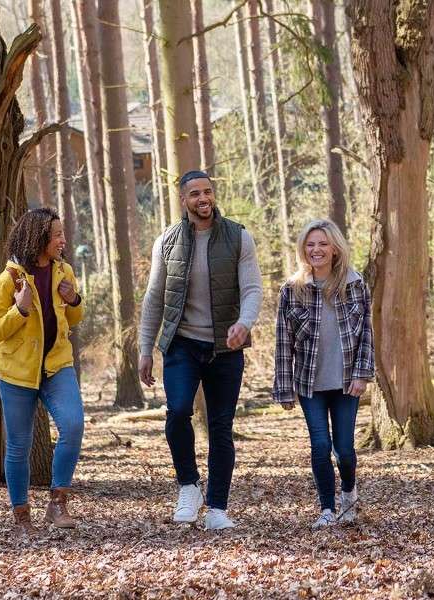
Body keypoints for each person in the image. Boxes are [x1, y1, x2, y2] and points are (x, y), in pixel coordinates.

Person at [137, 170, 264, 530]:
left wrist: (244, 323)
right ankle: (189, 485)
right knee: (177, 412)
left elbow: (252, 288)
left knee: (221, 426)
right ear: (184, 200)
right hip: (182, 344)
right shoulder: (167, 241)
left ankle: (218, 509)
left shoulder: (239, 237)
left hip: (226, 347)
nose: (202, 198)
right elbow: (153, 299)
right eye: (195, 193)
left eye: (207, 191)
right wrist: (146, 349)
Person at [0, 206, 87, 538]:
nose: (62, 240)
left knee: (72, 425)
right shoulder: (8, 280)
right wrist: (20, 309)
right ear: (39, 237)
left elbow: (73, 319)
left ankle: (58, 502)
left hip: (57, 365)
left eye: (62, 233)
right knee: (19, 445)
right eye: (57, 234)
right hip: (17, 372)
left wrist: (74, 301)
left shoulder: (64, 272)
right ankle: (21, 516)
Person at [273, 219, 374, 529]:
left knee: (344, 449)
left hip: (346, 382)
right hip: (309, 384)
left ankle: (348, 493)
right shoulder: (293, 289)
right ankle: (327, 509)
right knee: (319, 445)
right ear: (304, 250)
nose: (315, 250)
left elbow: (366, 336)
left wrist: (362, 374)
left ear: (334, 249)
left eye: (322, 244)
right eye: (310, 244)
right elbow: (283, 340)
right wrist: (284, 387)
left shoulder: (355, 284)